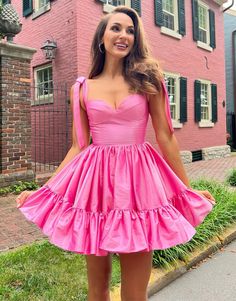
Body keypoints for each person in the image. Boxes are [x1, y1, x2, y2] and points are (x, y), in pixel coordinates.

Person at [15, 6, 216, 301]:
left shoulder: (148, 79)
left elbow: (165, 136)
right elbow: (79, 145)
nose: (124, 35)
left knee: (134, 294)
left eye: (131, 31)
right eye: (116, 28)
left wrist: (186, 189)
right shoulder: (81, 89)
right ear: (102, 37)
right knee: (97, 290)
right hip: (95, 188)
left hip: (138, 186)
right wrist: (44, 190)